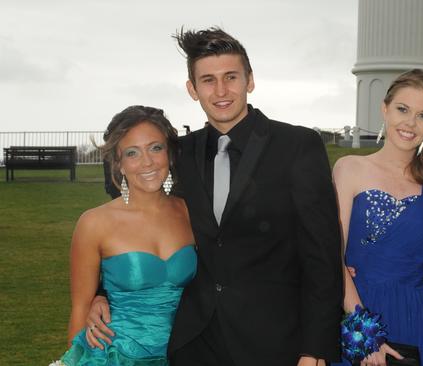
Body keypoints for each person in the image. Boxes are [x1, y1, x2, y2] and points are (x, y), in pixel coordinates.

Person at [85, 27, 343, 365]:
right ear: (192, 89)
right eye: (208, 80)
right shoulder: (181, 153)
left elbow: (322, 256)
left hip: (275, 342)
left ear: (249, 80)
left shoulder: (297, 146)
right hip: (195, 342)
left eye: (231, 77)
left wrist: (315, 348)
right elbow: (148, 223)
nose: (221, 91)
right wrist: (102, 295)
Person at [333, 69, 423, 366]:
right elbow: (331, 252)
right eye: (402, 109)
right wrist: (365, 335)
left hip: (416, 319)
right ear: (385, 108)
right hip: (357, 311)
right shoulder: (349, 169)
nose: (410, 123)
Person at [56, 105, 196, 364]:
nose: (147, 162)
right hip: (115, 355)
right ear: (118, 164)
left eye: (156, 148)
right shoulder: (94, 223)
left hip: (185, 354)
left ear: (170, 154)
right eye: (132, 153)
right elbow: (79, 310)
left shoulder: (190, 212)